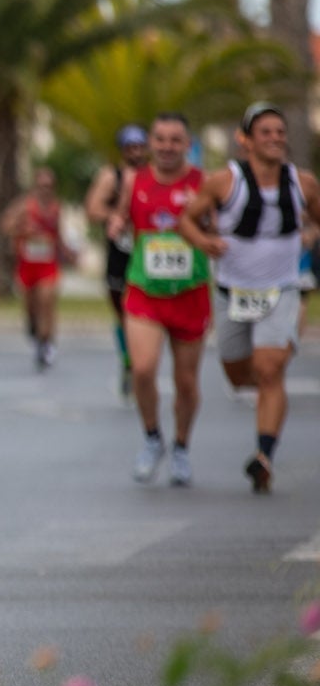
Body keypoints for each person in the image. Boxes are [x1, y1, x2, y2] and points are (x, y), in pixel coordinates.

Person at [179, 102, 317, 493]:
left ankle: (263, 456)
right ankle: (269, 397)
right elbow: (186, 219)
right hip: (232, 291)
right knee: (240, 374)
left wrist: (310, 236)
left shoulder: (302, 183)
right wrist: (205, 241)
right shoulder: (224, 181)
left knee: (270, 368)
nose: (275, 139)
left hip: (282, 288)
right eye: (266, 133)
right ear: (246, 141)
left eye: (280, 131)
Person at [108, 112, 211, 486]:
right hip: (145, 291)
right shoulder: (135, 182)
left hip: (189, 293)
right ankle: (153, 437)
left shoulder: (204, 184)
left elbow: (219, 225)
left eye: (175, 140)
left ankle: (181, 446)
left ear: (187, 144)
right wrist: (116, 224)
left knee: (186, 382)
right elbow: (120, 218)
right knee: (144, 368)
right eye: (161, 139)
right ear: (150, 143)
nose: (167, 147)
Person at [85, 124, 150, 397]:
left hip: (150, 253)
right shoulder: (112, 176)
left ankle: (144, 360)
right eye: (129, 147)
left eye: (139, 146)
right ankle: (128, 358)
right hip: (121, 252)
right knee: (123, 309)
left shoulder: (155, 176)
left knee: (147, 308)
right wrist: (114, 216)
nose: (135, 152)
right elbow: (92, 208)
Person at [2, 167, 66, 369]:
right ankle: (34, 329)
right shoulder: (25, 206)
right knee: (31, 306)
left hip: (48, 264)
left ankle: (46, 341)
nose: (45, 190)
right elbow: (6, 225)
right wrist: (23, 229)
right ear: (35, 186)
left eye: (49, 186)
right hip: (28, 264)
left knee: (47, 302)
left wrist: (68, 253)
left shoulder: (57, 208)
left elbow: (59, 235)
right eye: (41, 186)